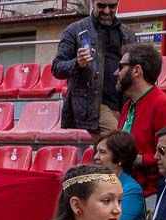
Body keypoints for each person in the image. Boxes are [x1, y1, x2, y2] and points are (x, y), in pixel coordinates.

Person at [52, 0, 137, 136]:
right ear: (92, 2)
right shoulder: (74, 30)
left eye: (112, 6)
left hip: (123, 104)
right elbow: (57, 68)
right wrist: (77, 63)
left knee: (107, 153)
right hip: (93, 106)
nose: (107, 11)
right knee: (119, 142)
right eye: (102, 6)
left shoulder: (127, 33)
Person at [116, 43, 166, 196]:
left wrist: (138, 159)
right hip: (127, 190)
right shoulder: (127, 107)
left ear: (137, 70)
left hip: (154, 194)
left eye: (121, 66)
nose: (116, 73)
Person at [94, 130, 145, 220]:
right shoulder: (95, 185)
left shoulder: (132, 190)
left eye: (102, 152)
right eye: (96, 151)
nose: (96, 157)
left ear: (119, 158)